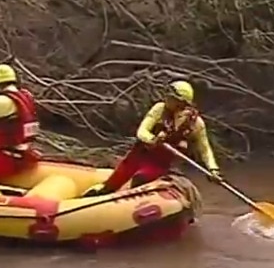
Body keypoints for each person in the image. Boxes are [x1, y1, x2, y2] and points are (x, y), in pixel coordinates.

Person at [83, 80, 222, 197]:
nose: (166, 98)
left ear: (181, 103)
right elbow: (142, 131)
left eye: (171, 97)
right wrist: (153, 140)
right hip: (138, 156)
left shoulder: (196, 123)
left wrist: (213, 169)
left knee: (140, 179)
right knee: (111, 184)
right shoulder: (159, 109)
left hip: (158, 163)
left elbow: (205, 149)